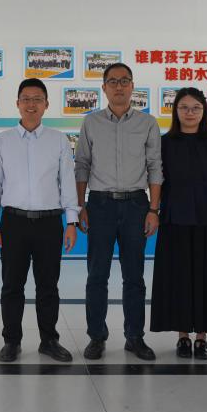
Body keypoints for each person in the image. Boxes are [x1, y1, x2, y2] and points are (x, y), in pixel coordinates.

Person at [0, 78, 79, 363]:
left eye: (37, 99)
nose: (31, 104)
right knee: (11, 285)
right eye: (26, 98)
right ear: (17, 103)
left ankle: (49, 340)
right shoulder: (3, 141)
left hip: (50, 223)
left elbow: (67, 182)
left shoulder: (58, 140)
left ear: (46, 105)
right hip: (14, 222)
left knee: (48, 285)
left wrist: (71, 222)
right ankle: (11, 341)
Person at [75, 62, 162, 361]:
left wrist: (153, 209)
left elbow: (155, 167)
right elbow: (82, 165)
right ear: (104, 87)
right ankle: (96, 337)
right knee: (97, 275)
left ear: (132, 86)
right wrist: (81, 206)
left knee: (134, 276)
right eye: (112, 81)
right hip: (100, 205)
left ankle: (134, 337)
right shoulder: (91, 122)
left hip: (137, 205)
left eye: (124, 80)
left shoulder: (148, 123)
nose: (119, 86)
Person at [150, 87, 207, 360]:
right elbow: (157, 180)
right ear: (175, 111)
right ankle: (183, 336)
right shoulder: (165, 142)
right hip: (174, 217)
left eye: (195, 108)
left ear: (203, 111)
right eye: (184, 107)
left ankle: (202, 338)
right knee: (179, 277)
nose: (190, 112)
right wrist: (154, 211)